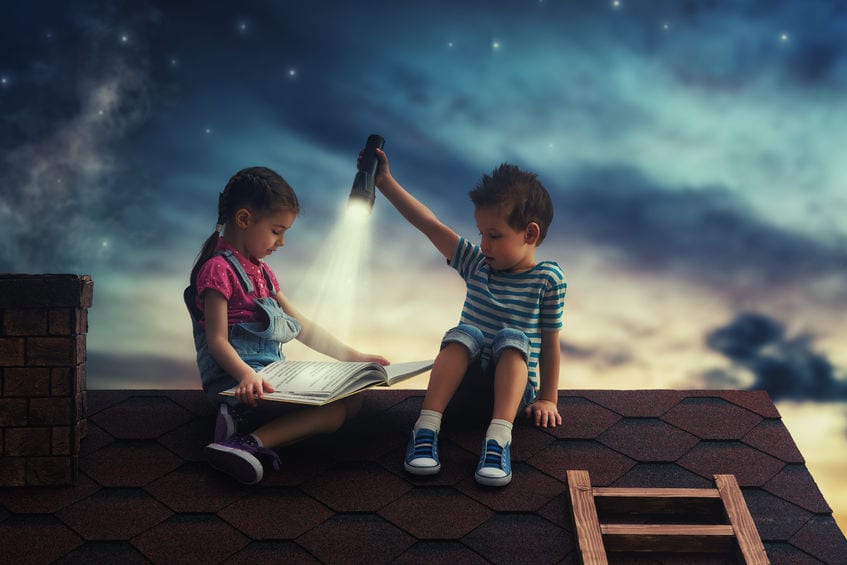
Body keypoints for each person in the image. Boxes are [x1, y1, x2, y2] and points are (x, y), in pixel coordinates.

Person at [371, 149, 565, 486]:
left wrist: (548, 398)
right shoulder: (476, 264)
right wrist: (385, 182)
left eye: (495, 235)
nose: (484, 244)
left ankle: (498, 440)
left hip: (510, 396)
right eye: (481, 233)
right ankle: (426, 428)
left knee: (513, 339)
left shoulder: (548, 279)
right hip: (464, 391)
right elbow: (429, 225)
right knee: (464, 334)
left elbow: (550, 343)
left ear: (530, 234)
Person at [185, 166, 388, 484]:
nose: (281, 242)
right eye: (277, 230)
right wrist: (247, 375)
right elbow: (217, 340)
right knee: (333, 414)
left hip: (272, 375)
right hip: (241, 382)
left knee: (352, 399)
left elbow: (302, 326)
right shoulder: (217, 270)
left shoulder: (264, 274)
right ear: (244, 219)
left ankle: (250, 431)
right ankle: (243, 443)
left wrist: (354, 357)